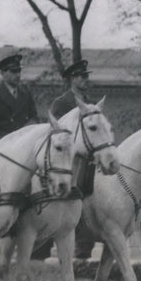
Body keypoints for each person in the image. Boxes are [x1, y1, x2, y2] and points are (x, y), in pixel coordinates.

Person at [51, 58, 103, 196]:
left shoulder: (91, 104)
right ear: (72, 79)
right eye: (83, 76)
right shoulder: (61, 103)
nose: (86, 79)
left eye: (87, 75)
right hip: (69, 161)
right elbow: (56, 134)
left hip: (91, 159)